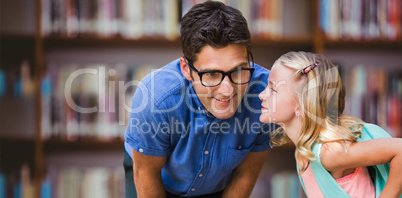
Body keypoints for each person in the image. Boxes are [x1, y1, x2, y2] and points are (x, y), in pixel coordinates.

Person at [123, 1, 274, 197]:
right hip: (155, 175)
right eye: (212, 74)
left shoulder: (267, 96)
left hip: (217, 184)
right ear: (187, 69)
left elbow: (245, 174)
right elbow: (146, 173)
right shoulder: (156, 98)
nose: (227, 90)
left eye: (238, 71)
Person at [259, 51, 402, 197]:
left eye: (273, 89)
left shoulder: (330, 152)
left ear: (301, 106)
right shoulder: (303, 152)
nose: (261, 95)